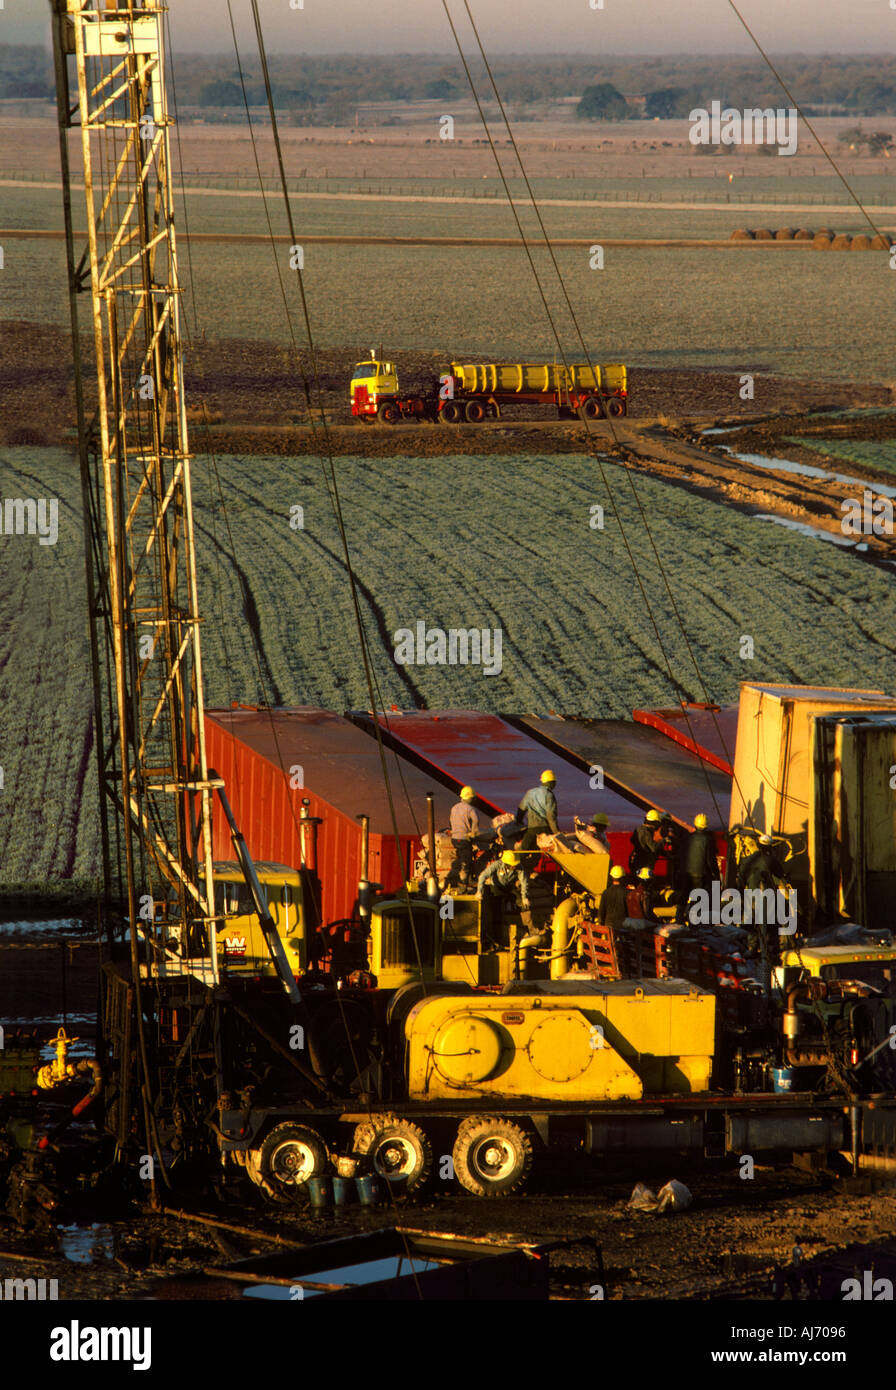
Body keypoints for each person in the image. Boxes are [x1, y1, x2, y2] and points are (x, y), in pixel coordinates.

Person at [476, 850, 532, 957]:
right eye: (512, 865)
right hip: (495, 888)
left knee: (521, 904)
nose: (514, 867)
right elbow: (483, 876)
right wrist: (479, 891)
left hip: (509, 887)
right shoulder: (497, 865)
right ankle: (494, 934)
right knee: (494, 910)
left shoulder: (518, 867)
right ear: (506, 864)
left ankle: (524, 928)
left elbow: (524, 882)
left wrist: (525, 897)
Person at [679, 811, 720, 908]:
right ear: (706, 826)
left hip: (686, 872)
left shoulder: (688, 838)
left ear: (695, 824)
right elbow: (710, 860)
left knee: (684, 894)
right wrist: (715, 873)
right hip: (700, 874)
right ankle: (694, 919)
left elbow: (681, 855)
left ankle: (679, 917)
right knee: (698, 897)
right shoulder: (708, 840)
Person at [517, 770, 560, 853]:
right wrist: (556, 833)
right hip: (545, 829)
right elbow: (551, 817)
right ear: (552, 783)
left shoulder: (530, 792)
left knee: (522, 852)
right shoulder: (549, 795)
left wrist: (518, 822)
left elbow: (521, 810)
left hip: (531, 829)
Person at [445, 785, 479, 889]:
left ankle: (463, 879)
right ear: (470, 798)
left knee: (461, 859)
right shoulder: (470, 809)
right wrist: (473, 833)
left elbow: (450, 822)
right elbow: (476, 820)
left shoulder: (454, 807)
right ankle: (463, 882)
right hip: (464, 839)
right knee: (466, 861)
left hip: (455, 839)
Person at [598, 864, 629, 932]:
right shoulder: (627, 893)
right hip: (623, 928)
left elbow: (601, 912)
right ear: (623, 877)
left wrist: (601, 925)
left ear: (611, 877)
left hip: (608, 928)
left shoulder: (605, 892)